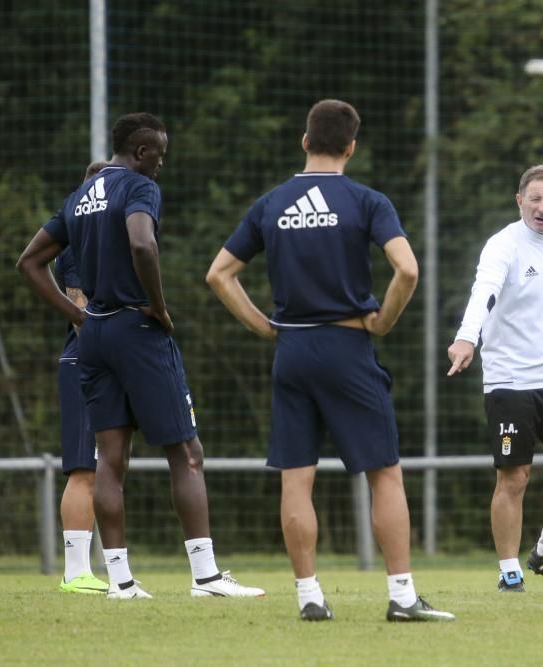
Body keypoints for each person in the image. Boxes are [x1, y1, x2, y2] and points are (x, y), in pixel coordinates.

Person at [206, 99, 454, 622]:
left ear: (304, 141)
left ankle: (309, 598)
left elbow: (219, 274)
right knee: (384, 473)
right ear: (351, 147)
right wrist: (383, 321)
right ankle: (403, 598)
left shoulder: (271, 203)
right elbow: (406, 270)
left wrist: (264, 326)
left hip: (292, 352)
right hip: (347, 350)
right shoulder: (367, 200)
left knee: (296, 478)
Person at [17, 113, 264, 600]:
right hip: (136, 328)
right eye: (161, 157)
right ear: (143, 152)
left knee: (109, 460)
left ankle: (121, 582)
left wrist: (77, 314)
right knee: (186, 454)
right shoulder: (138, 187)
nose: (161, 167)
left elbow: (29, 262)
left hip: (95, 336)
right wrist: (158, 305)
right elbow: (141, 243)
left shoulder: (79, 197)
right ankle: (206, 576)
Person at [447, 165, 543, 594]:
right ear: (520, 201)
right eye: (535, 199)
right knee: (514, 478)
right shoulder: (502, 246)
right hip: (509, 382)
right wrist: (465, 339)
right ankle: (509, 570)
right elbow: (485, 293)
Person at [55, 160, 109, 595]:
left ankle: (110, 569)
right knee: (83, 469)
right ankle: (75, 573)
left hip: (104, 361)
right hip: (85, 362)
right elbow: (80, 305)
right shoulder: (79, 236)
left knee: (105, 467)